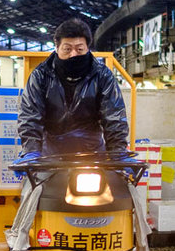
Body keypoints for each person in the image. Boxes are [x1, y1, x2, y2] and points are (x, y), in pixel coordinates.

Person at [15, 17, 129, 160]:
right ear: (57, 48)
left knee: (117, 181)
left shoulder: (103, 76)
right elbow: (30, 116)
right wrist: (31, 151)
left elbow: (114, 116)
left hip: (92, 152)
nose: (73, 54)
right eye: (67, 49)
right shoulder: (40, 76)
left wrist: (118, 152)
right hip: (51, 154)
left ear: (88, 48)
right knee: (44, 181)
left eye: (79, 49)